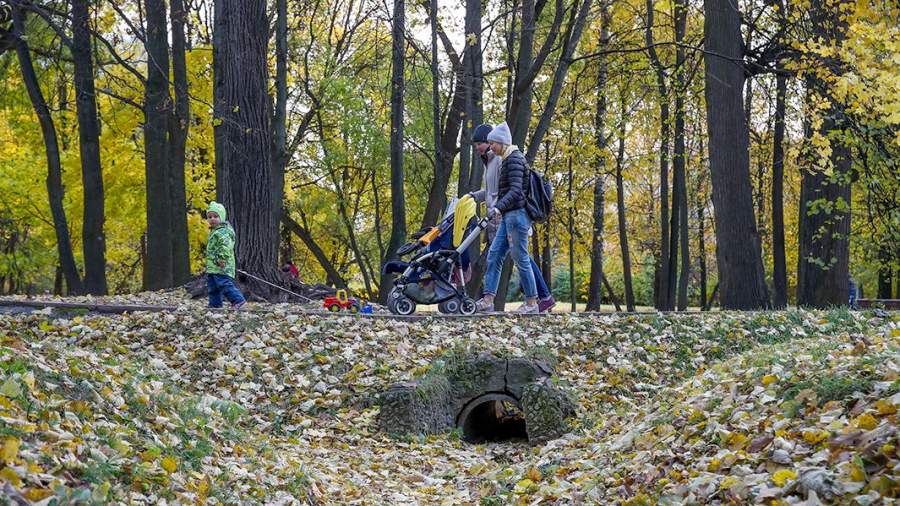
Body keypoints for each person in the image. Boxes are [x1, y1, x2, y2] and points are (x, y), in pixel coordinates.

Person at [469, 124, 555, 312]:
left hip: (517, 215)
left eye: (492, 143)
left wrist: (498, 207)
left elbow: (516, 191)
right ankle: (488, 300)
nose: (490, 147)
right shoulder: (506, 158)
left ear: (501, 142)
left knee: (521, 258)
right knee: (494, 255)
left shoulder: (514, 159)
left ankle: (532, 303)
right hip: (509, 215)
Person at [206, 201, 246, 309]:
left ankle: (238, 300)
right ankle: (215, 304)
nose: (212, 219)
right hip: (213, 266)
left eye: (215, 216)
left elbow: (225, 247)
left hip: (222, 265)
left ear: (222, 217)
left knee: (224, 284)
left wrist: (222, 259)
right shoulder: (215, 231)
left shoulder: (223, 232)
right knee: (213, 287)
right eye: (209, 217)